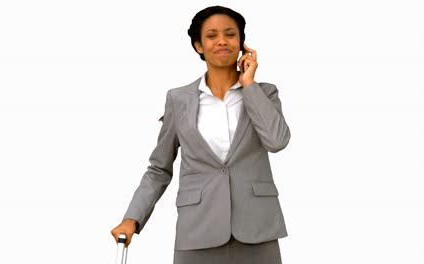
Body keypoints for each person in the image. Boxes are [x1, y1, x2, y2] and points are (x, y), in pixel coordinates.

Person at [111, 5, 291, 264]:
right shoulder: (178, 99)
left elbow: (277, 141)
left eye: (230, 34)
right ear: (198, 45)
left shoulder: (265, 92)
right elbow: (159, 168)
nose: (222, 41)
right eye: (212, 35)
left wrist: (249, 84)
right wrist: (132, 219)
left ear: (242, 43)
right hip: (197, 230)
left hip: (257, 229)